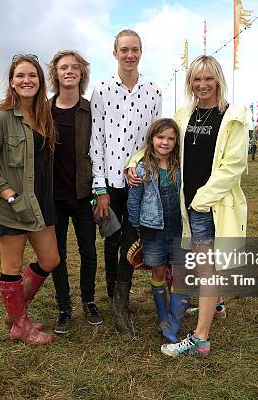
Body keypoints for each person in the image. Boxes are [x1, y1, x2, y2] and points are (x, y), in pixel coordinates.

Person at [129, 55, 248, 357]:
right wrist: (133, 164)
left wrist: (201, 200)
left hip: (210, 207)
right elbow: (158, 145)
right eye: (197, 79)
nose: (203, 84)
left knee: (207, 270)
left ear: (218, 80)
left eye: (208, 78)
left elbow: (233, 167)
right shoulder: (185, 116)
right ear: (190, 82)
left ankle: (200, 339)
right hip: (189, 205)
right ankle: (216, 305)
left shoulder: (233, 117)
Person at [0, 54, 60, 345]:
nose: (27, 81)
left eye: (32, 76)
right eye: (21, 76)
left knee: (51, 259)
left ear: (40, 81)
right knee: (11, 267)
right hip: (9, 206)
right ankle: (21, 326)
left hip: (40, 202)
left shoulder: (45, 117)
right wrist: (11, 198)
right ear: (12, 82)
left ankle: (16, 312)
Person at [90, 29, 162, 336]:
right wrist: (99, 187)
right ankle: (112, 296)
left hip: (139, 180)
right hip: (109, 181)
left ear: (141, 52)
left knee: (132, 240)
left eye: (134, 49)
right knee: (112, 237)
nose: (129, 55)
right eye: (124, 50)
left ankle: (121, 303)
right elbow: (97, 140)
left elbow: (154, 140)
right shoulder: (102, 90)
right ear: (115, 53)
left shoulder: (153, 91)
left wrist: (142, 170)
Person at [47, 50, 102, 334]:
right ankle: (64, 308)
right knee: (57, 256)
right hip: (52, 197)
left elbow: (100, 150)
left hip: (83, 194)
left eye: (74, 67)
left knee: (89, 252)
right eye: (63, 67)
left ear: (82, 73)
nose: (69, 71)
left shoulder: (91, 110)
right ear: (55, 73)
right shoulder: (43, 111)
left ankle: (89, 301)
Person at [127, 118, 191, 343]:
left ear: (176, 142)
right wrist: (139, 228)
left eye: (171, 138)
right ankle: (162, 315)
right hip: (153, 231)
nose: (165, 142)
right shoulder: (142, 168)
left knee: (181, 274)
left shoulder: (182, 166)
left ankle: (172, 324)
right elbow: (134, 201)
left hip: (180, 230)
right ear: (152, 139)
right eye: (160, 137)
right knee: (158, 272)